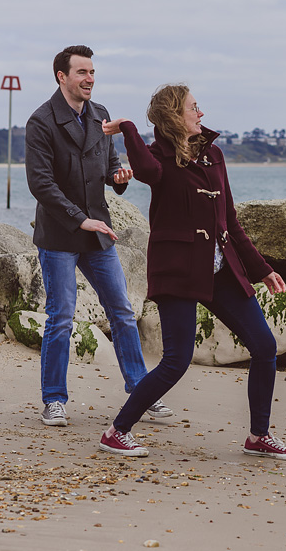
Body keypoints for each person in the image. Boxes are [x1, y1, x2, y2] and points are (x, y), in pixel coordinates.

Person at [98, 83, 286, 460]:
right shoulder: (158, 157)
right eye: (194, 107)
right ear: (175, 115)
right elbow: (143, 171)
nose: (201, 113)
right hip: (179, 270)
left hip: (221, 270)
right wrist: (127, 126)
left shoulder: (215, 156)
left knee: (264, 346)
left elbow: (232, 223)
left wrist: (263, 270)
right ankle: (117, 431)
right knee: (177, 360)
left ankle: (259, 436)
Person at [24, 45, 172, 427]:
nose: (90, 79)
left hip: (98, 234)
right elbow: (41, 185)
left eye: (93, 72)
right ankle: (54, 400)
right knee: (60, 317)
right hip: (60, 235)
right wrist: (79, 220)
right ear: (62, 76)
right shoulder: (40, 121)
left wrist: (119, 178)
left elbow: (109, 167)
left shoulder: (101, 115)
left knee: (122, 312)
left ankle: (140, 392)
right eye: (82, 72)